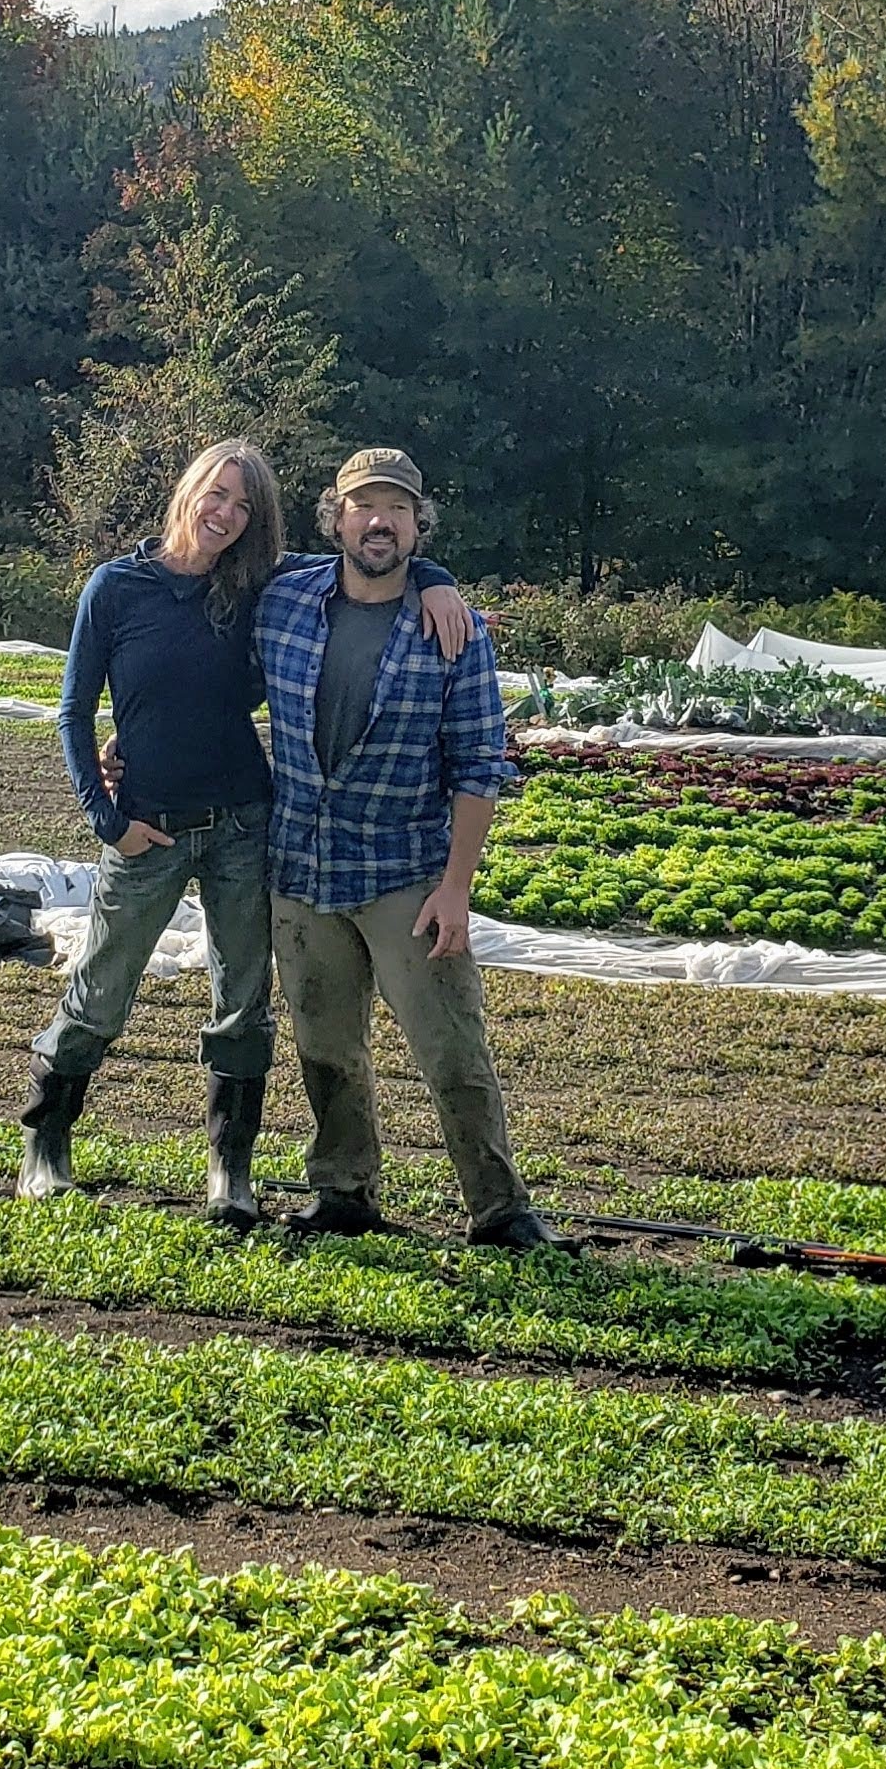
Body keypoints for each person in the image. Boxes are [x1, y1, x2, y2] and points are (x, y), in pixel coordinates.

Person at [27, 438, 471, 1222]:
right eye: (218, 494)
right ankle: (45, 1148)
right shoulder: (117, 588)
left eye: (245, 506)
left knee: (243, 1000)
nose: (227, 514)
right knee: (103, 986)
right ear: (189, 488)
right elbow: (71, 711)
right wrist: (107, 817)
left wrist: (434, 577)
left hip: (242, 823)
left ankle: (229, 1173)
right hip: (146, 829)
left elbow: (370, 554)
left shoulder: (257, 586)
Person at [257, 446, 544, 1248]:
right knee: (324, 1045)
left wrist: (456, 887)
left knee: (451, 1047)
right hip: (302, 867)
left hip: (406, 873)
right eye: (363, 507)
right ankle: (345, 1191)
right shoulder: (285, 601)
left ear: (420, 524)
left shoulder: (452, 627)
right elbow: (198, 641)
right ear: (336, 516)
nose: (379, 522)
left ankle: (499, 1208)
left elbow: (480, 764)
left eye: (398, 510)